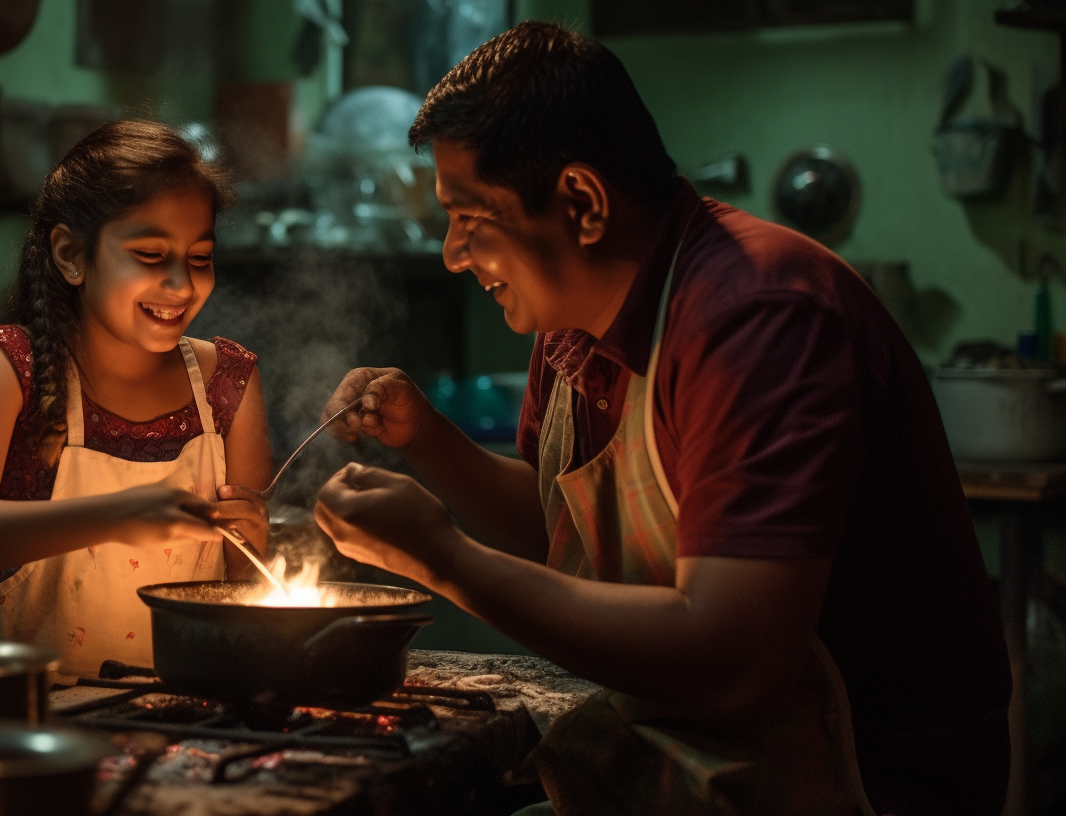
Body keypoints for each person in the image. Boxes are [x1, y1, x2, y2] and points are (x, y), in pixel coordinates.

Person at [314, 22, 1010, 816]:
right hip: (683, 756)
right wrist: (428, 442)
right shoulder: (568, 326)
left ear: (580, 202)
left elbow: (736, 668)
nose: (452, 253)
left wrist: (440, 557)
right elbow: (571, 539)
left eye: (470, 216)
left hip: (853, 784)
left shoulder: (760, 318)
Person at [0, 120, 272, 682]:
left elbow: (246, 590)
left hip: (177, 718)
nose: (181, 285)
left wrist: (253, 541)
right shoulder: (8, 369)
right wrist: (117, 517)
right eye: (151, 255)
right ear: (70, 255)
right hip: (22, 716)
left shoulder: (227, 384)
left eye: (200, 258)